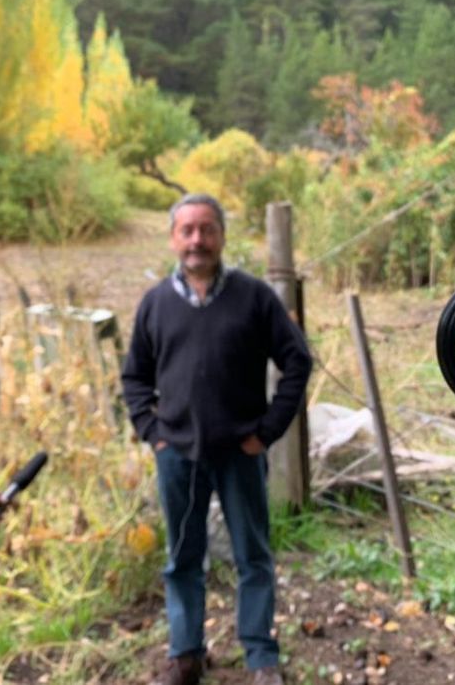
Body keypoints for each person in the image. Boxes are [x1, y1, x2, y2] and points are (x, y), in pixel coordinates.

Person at [121, 193, 312, 685]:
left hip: (240, 455)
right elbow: (135, 377)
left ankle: (260, 657)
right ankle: (186, 655)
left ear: (222, 236)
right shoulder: (156, 304)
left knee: (253, 557)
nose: (196, 240)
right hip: (178, 454)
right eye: (186, 230)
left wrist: (267, 432)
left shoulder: (253, 297)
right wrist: (152, 432)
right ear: (172, 238)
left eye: (206, 229)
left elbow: (297, 361)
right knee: (182, 558)